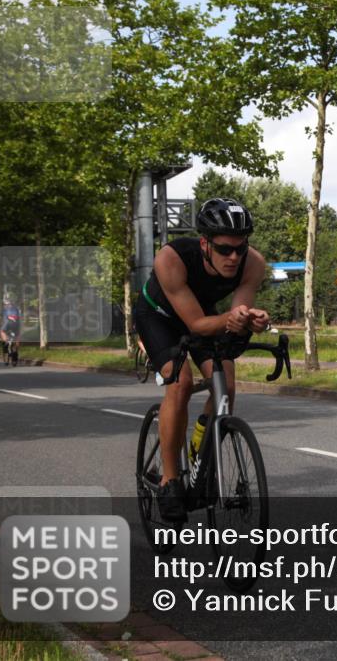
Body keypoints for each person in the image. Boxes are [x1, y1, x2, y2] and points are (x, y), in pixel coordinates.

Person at [133, 197, 270, 522]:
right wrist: (234, 319)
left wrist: (252, 319)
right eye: (225, 249)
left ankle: (199, 447)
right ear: (205, 243)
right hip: (159, 317)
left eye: (240, 247)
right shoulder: (172, 258)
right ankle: (169, 480)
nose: (234, 257)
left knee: (227, 387)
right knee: (179, 384)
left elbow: (237, 311)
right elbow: (195, 326)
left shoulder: (253, 263)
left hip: (204, 313)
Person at [0, 296, 21, 365]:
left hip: (6, 326)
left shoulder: (4, 310)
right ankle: (16, 351)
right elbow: (20, 319)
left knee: (2, 333)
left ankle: (6, 343)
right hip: (16, 326)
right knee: (16, 340)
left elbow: (1, 320)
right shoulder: (17, 309)